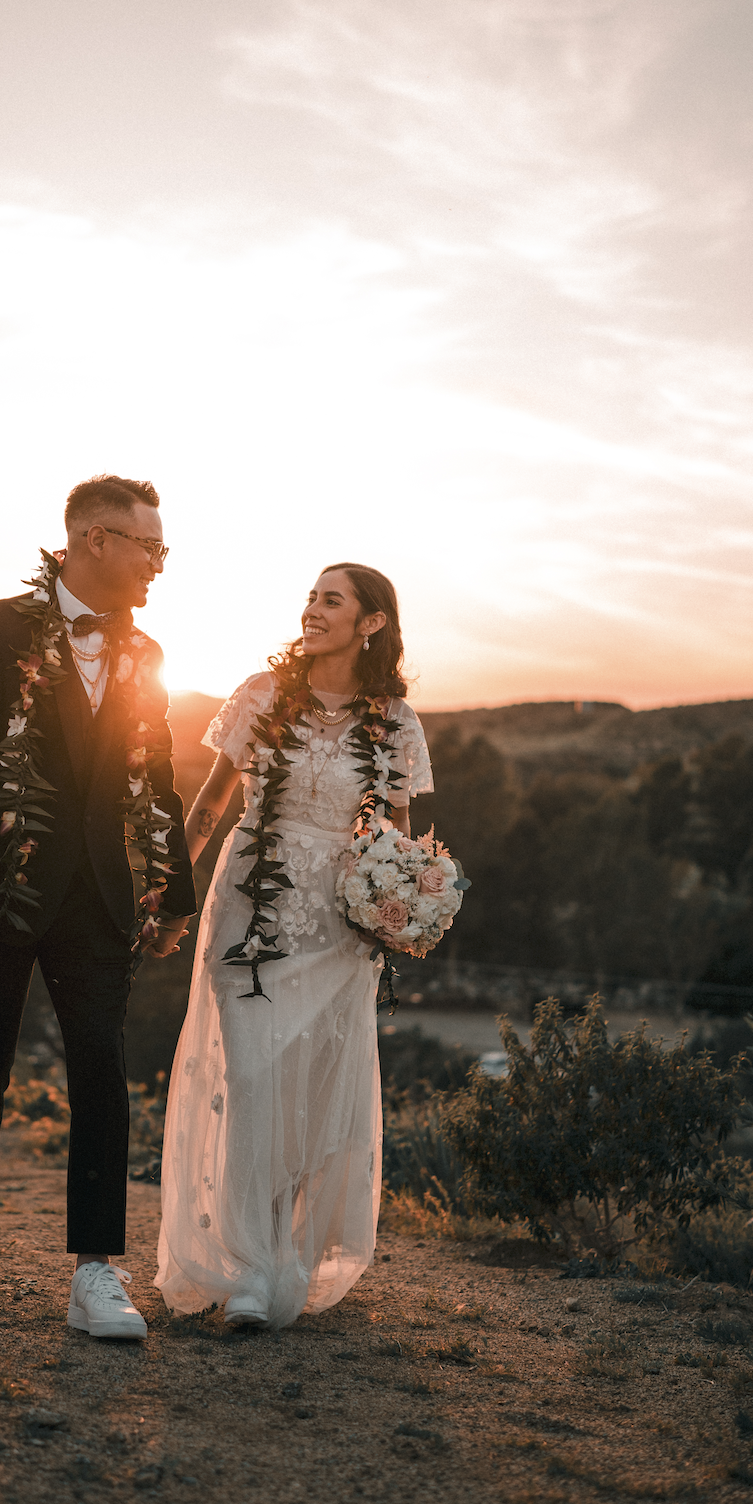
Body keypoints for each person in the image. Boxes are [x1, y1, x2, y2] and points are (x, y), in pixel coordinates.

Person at [0, 474, 196, 1339]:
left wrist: (172, 893)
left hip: (100, 897)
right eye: (149, 546)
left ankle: (96, 1270)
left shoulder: (145, 652)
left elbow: (156, 777)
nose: (158, 563)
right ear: (94, 539)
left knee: (101, 1072)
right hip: (1, 891)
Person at [155, 565, 433, 1329]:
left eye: (330, 600)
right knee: (252, 1077)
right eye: (310, 597)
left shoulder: (396, 723)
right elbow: (209, 805)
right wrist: (169, 903)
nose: (312, 609)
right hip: (250, 905)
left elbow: (397, 839)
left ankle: (281, 1248)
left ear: (370, 623)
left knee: (304, 1090)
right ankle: (249, 1263)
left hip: (337, 928)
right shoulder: (261, 696)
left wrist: (399, 913)